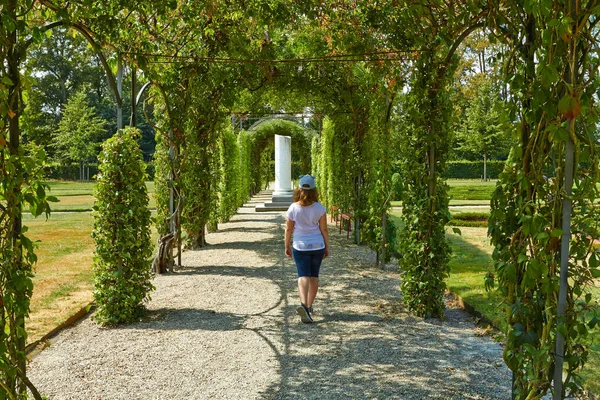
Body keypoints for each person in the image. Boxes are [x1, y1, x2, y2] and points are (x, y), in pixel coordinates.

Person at [285, 175, 329, 323]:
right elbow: (324, 230)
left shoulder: (293, 208)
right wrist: (327, 246)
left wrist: (286, 245)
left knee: (303, 276)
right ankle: (309, 307)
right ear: (314, 190)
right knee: (314, 276)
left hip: (300, 246)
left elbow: (288, 230)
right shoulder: (320, 208)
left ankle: (303, 304)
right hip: (317, 246)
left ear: (300, 189)